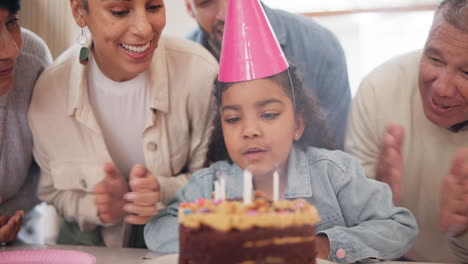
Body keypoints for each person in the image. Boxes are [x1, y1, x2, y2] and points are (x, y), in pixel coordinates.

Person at [144, 0, 418, 261]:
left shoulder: (336, 175)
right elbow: (156, 231)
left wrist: (323, 245)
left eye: (269, 114)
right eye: (233, 119)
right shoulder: (210, 184)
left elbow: (400, 226)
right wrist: (221, 234)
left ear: (298, 124)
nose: (249, 130)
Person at [28, 0, 218, 247]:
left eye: (153, 7)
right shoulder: (49, 92)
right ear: (79, 11)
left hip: (179, 244)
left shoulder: (200, 73)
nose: (144, 29)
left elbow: (221, 179)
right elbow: (51, 190)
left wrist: (165, 190)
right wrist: (96, 206)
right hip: (90, 247)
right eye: (119, 12)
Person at [345, 0, 468, 262]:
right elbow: (349, 240)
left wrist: (464, 235)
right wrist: (372, 208)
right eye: (434, 58)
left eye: (467, 72)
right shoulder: (380, 89)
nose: (442, 88)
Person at [183, 0, 351, 149]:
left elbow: (333, 151)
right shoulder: (184, 63)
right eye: (206, 2)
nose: (226, 14)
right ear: (189, 7)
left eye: (270, 114)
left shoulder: (321, 46)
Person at [0, 0, 52, 244]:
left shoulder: (33, 59)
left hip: (21, 233)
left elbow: (47, 166)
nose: (11, 50)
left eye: (11, 23)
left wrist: (7, 215)